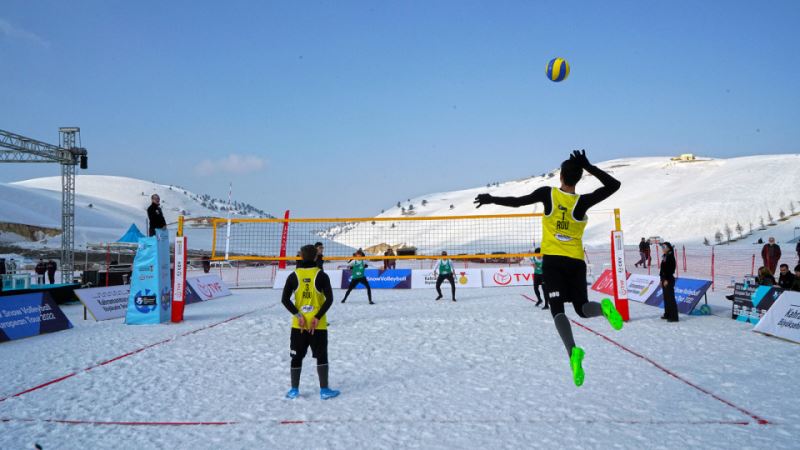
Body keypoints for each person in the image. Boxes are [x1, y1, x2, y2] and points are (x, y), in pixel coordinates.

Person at [474, 149, 623, 387]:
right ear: (578, 177)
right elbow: (614, 185)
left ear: (561, 177)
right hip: (575, 261)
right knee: (583, 308)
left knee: (558, 311)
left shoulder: (548, 195)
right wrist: (589, 166)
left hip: (553, 262)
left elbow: (517, 202)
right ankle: (604, 310)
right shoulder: (582, 201)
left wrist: (491, 198)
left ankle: (573, 352)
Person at [280, 244, 339, 400]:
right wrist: (317, 316)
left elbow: (284, 300)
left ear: (301, 257)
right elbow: (330, 299)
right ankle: (324, 390)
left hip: (298, 325)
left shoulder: (293, 276)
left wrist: (298, 315)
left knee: (296, 356)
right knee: (321, 356)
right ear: (315, 257)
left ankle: (294, 390)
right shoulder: (321, 275)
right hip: (317, 324)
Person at [659, 242, 678, 322]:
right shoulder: (665, 256)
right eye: (662, 247)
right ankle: (667, 314)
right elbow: (662, 269)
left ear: (668, 248)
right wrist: (661, 279)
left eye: (664, 247)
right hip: (664, 279)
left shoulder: (670, 257)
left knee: (670, 299)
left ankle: (674, 317)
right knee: (666, 298)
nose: (662, 249)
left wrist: (666, 279)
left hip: (669, 279)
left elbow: (670, 269)